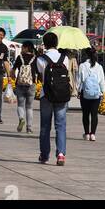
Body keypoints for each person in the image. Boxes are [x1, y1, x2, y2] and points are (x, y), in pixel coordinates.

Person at [37, 31, 71, 166]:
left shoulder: (41, 59)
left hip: (46, 95)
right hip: (62, 96)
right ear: (57, 43)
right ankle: (61, 154)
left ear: (44, 44)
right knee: (61, 125)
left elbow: (41, 75)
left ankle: (45, 155)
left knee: (45, 126)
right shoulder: (65, 58)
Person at [77, 47, 105, 140]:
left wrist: (78, 91)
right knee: (94, 114)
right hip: (96, 93)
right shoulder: (99, 67)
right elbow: (102, 81)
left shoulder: (82, 66)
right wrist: (103, 92)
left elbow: (79, 80)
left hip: (84, 93)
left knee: (85, 114)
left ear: (86, 55)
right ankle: (93, 134)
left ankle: (86, 134)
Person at [12, 43, 37, 135]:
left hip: (20, 84)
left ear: (26, 48)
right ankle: (29, 128)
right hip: (31, 84)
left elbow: (13, 70)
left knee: (20, 105)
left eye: (22, 47)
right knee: (29, 107)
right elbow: (39, 72)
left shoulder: (20, 57)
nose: (21, 48)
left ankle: (21, 118)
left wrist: (13, 78)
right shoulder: (35, 58)